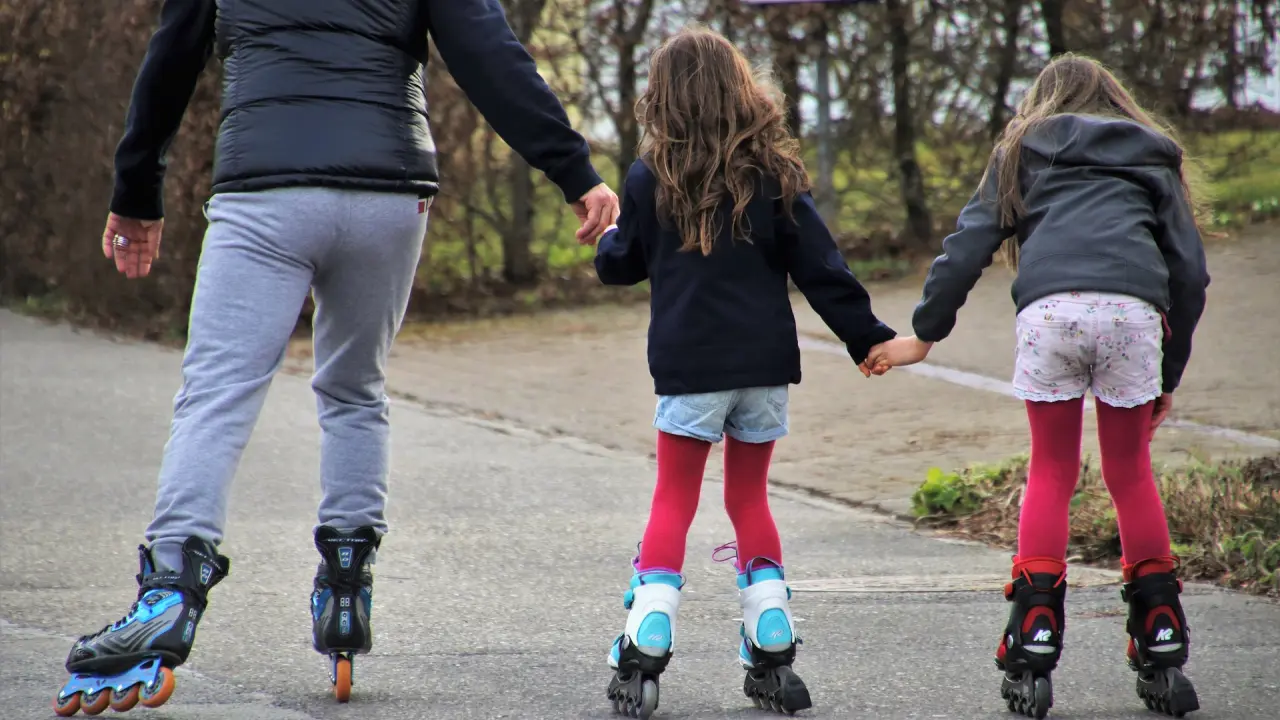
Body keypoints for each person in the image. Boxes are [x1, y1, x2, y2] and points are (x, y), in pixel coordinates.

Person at [54, 0, 618, 715]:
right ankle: (346, 589)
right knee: (355, 388)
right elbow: (488, 54)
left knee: (217, 392)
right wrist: (574, 172)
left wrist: (138, 191)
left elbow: (171, 58)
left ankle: (168, 592)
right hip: (389, 191)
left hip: (264, 190)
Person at [866, 54, 1209, 718]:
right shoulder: (1153, 154)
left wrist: (925, 334)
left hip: (1049, 314)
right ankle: (1161, 632)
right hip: (1133, 316)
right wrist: (1170, 370)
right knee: (1130, 472)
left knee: (1052, 470)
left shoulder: (1022, 148)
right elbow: (1190, 274)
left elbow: (966, 247)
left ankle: (1035, 632)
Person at [592, 27, 896, 719]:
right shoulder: (774, 174)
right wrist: (867, 338)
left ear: (663, 98)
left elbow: (623, 263)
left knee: (675, 498)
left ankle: (648, 629)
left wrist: (607, 239)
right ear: (741, 90)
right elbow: (820, 266)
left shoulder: (651, 175)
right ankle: (770, 627)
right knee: (749, 499)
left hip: (689, 366)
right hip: (763, 368)